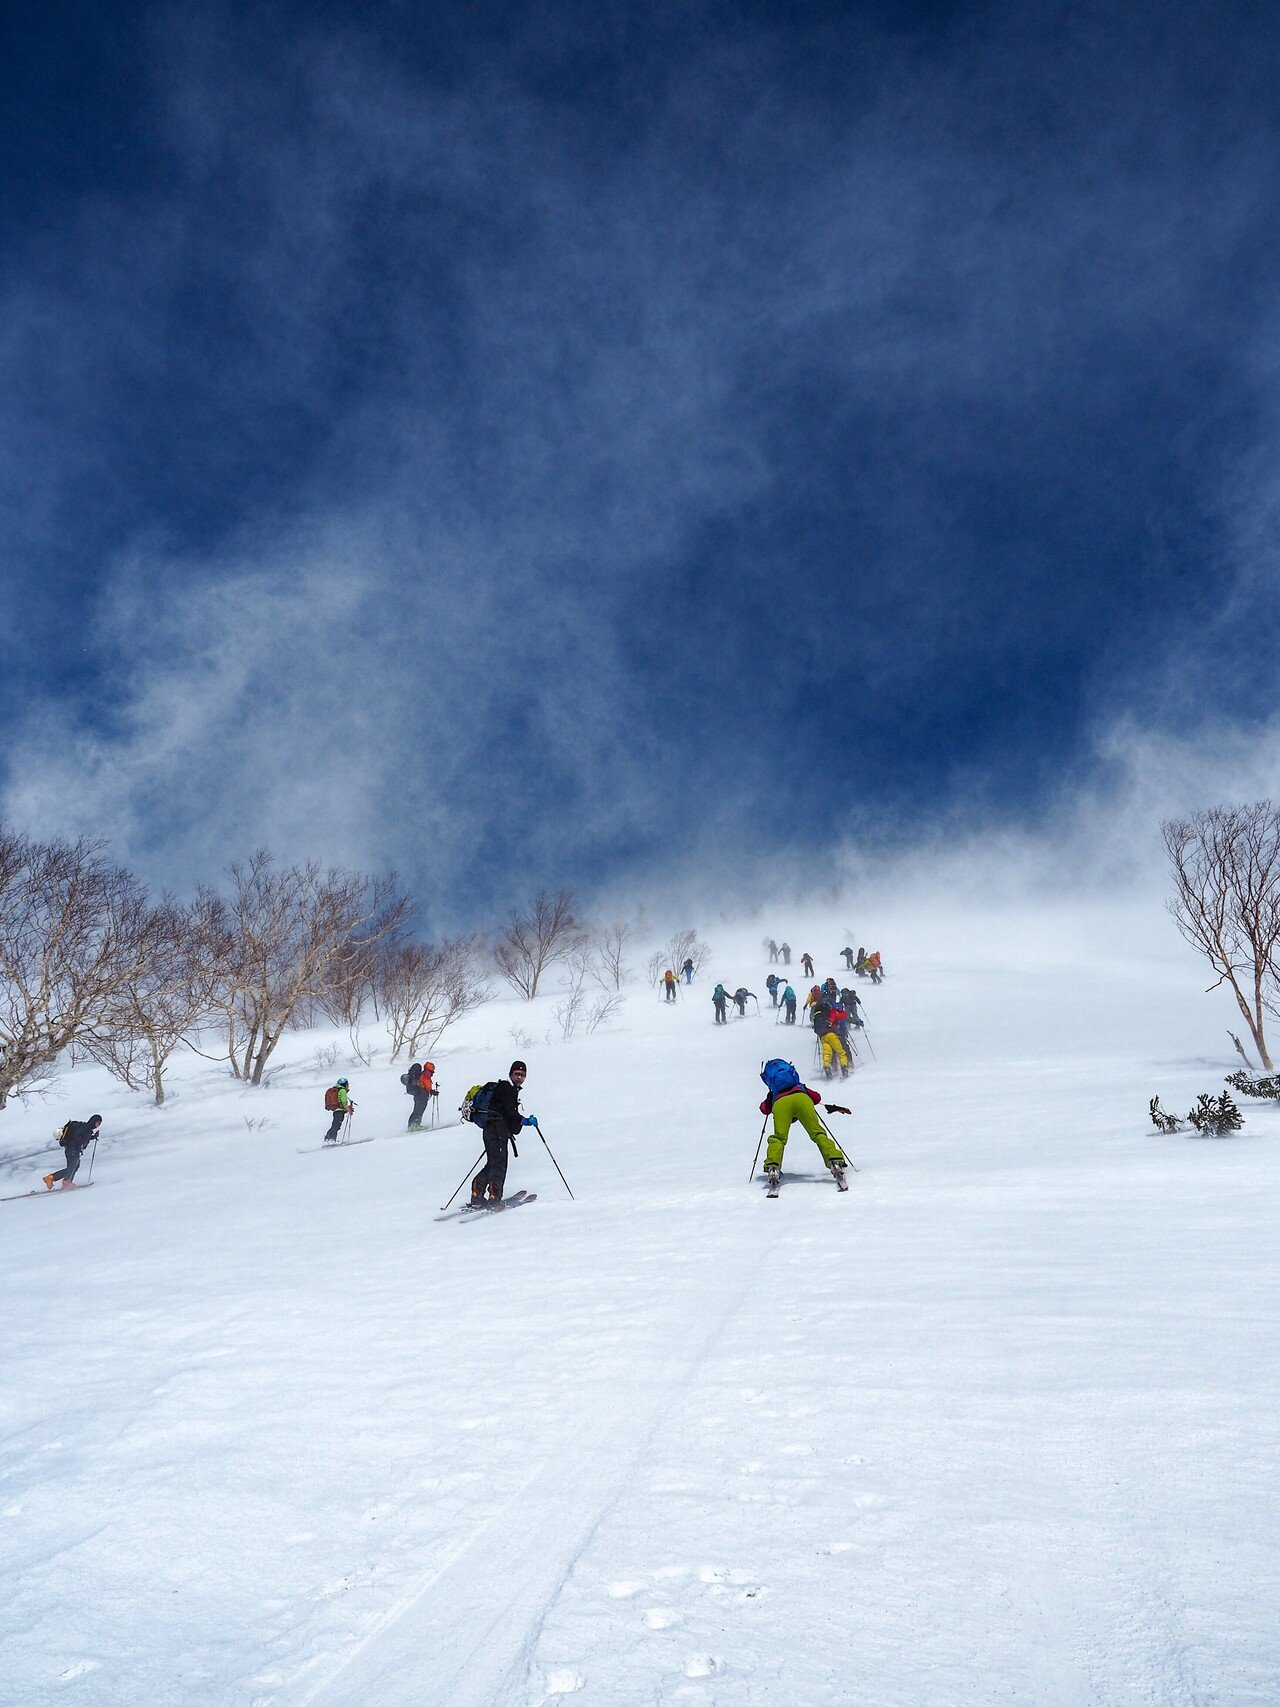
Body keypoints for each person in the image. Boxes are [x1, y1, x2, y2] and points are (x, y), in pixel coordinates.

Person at [757, 1060, 846, 1187]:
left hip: (780, 1103)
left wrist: (771, 1096)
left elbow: (764, 1110)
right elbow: (817, 1098)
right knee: (818, 1134)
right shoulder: (799, 1086)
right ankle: (835, 1161)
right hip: (802, 1098)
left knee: (778, 1138)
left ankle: (773, 1167)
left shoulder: (774, 1093)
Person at [471, 1060, 535, 1206]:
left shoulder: (506, 1088)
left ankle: (477, 1194)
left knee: (492, 1162)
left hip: (491, 1128)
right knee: (499, 1164)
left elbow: (507, 1111)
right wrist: (525, 1121)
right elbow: (509, 1112)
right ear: (511, 1073)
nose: (519, 1077)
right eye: (517, 1074)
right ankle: (494, 1198)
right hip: (497, 1130)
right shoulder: (507, 1088)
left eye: (522, 1075)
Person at [43, 1115, 102, 1189]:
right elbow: (78, 1139)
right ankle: (55, 1179)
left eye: (99, 1123)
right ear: (93, 1121)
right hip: (72, 1149)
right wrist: (88, 1138)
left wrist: (92, 1137)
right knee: (73, 1166)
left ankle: (65, 1181)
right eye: (97, 1123)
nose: (98, 1125)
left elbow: (81, 1137)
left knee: (73, 1166)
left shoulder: (87, 1128)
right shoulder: (86, 1128)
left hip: (71, 1149)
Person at [323, 1078, 355, 1144]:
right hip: (339, 1111)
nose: (348, 1085)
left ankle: (329, 1139)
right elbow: (343, 1100)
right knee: (336, 1126)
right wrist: (347, 1108)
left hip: (336, 1111)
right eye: (347, 1084)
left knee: (335, 1125)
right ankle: (330, 1139)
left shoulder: (338, 1090)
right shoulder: (342, 1090)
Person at [400, 1061, 431, 1130]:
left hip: (418, 1095)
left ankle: (413, 1125)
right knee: (419, 1110)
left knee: (417, 1110)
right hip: (420, 1095)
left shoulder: (412, 1076)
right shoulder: (416, 1076)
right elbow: (421, 1086)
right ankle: (414, 1125)